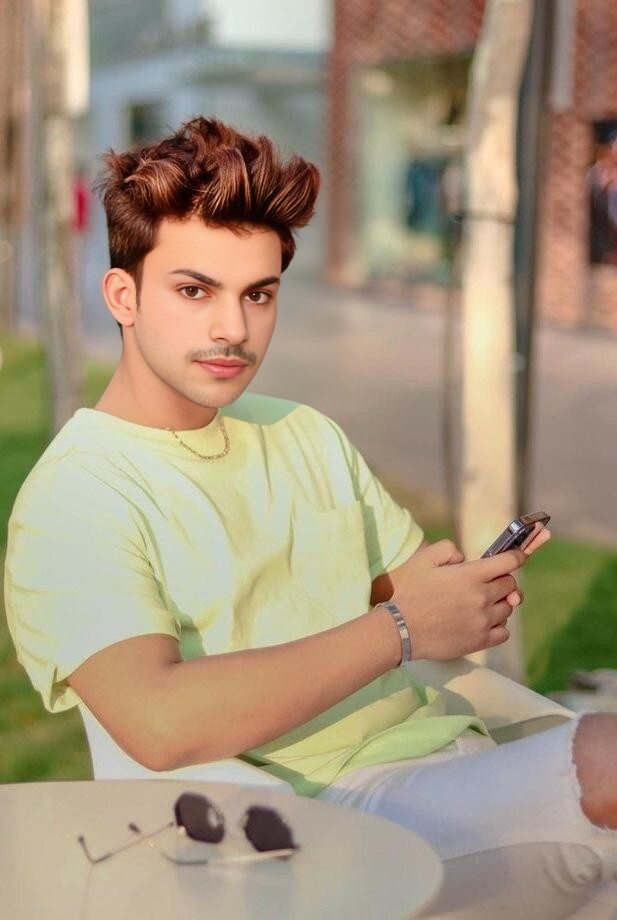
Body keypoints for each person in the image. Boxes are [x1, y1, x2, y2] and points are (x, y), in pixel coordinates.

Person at [4, 117, 617, 918]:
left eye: (257, 294)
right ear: (123, 295)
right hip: (306, 825)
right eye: (194, 291)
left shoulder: (301, 431)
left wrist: (457, 599)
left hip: (451, 751)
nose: (233, 329)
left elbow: (390, 594)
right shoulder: (78, 497)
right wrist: (401, 628)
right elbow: (156, 722)